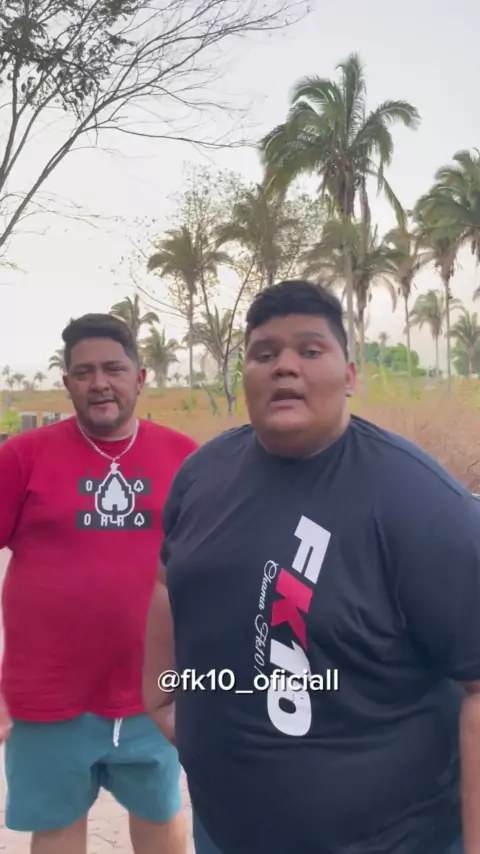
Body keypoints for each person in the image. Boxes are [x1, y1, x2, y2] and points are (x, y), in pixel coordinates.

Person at [144, 279, 480, 854]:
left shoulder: (422, 503)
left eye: (310, 349)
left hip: (392, 840)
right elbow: (165, 582)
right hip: (224, 831)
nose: (284, 366)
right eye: (264, 354)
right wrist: (161, 696)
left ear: (349, 375)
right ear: (245, 376)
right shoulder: (202, 475)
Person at [0, 313, 198, 854]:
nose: (99, 383)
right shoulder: (21, 458)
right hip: (47, 694)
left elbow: (212, 571)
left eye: (113, 369)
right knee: (58, 826)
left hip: (153, 692)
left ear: (140, 377)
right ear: (67, 383)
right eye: (84, 372)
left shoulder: (185, 458)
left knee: (162, 815)